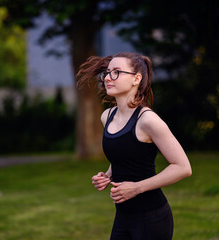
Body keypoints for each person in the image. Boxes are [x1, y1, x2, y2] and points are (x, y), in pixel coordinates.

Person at [77, 52, 192, 240]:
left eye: (116, 72)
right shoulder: (108, 117)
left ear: (136, 79)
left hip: (151, 218)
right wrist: (107, 175)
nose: (107, 77)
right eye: (107, 72)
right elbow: (125, 157)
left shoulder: (148, 120)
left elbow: (183, 168)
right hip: (123, 217)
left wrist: (137, 188)